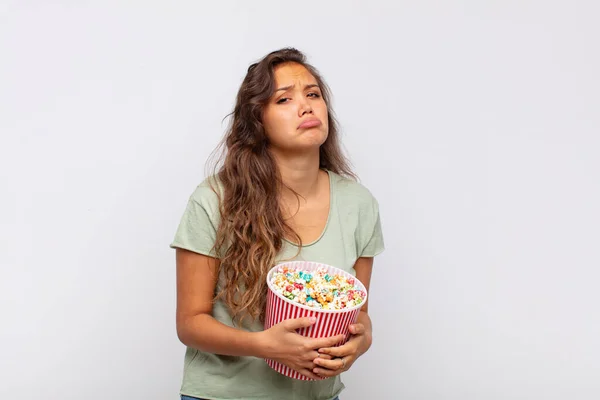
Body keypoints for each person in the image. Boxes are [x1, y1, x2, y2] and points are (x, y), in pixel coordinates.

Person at [170, 47, 385, 400]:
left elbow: (357, 312)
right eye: (284, 99)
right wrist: (264, 345)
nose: (307, 106)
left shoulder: (359, 204)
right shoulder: (214, 199)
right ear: (257, 121)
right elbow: (190, 323)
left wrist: (360, 341)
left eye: (313, 94)